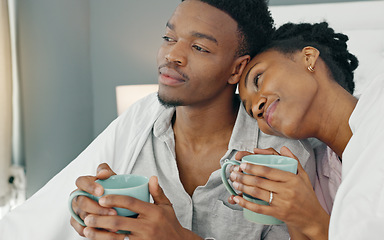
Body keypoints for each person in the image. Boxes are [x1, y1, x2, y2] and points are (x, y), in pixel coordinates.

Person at [0, 1, 319, 240]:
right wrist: (89, 209)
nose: (172, 55)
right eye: (169, 38)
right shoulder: (140, 120)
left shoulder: (284, 157)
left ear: (237, 69)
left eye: (198, 47)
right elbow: (46, 212)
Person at [233, 21, 384, 240]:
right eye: (251, 112)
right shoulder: (316, 180)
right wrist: (292, 212)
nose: (257, 108)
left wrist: (311, 220)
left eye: (258, 79)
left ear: (308, 58)